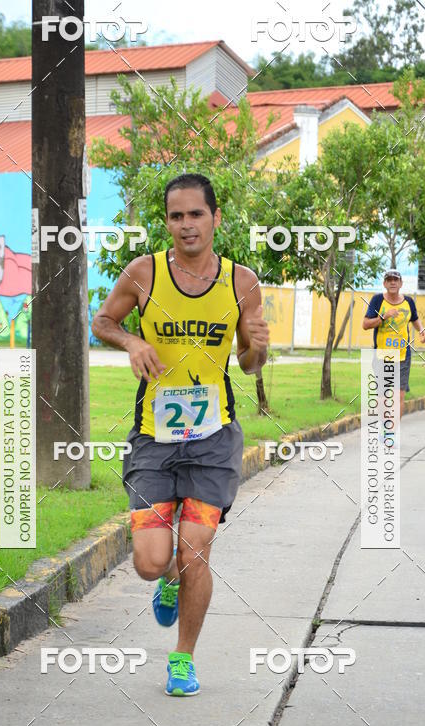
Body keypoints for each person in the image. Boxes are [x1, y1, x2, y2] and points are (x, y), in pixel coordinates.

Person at [91, 173, 269, 697]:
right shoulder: (144, 274)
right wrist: (129, 342)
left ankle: (182, 659)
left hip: (213, 439)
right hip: (154, 438)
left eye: (196, 214)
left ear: (216, 217)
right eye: (176, 216)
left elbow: (250, 361)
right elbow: (101, 320)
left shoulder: (242, 282)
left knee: (195, 551)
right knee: (149, 562)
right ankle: (167, 577)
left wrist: (257, 345)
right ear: (166, 222)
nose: (186, 225)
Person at [362, 269, 425, 417]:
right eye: (389, 280)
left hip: (403, 355)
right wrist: (383, 317)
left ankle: (391, 434)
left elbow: (415, 319)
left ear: (401, 283)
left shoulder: (409, 302)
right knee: (382, 398)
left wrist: (422, 331)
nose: (393, 282)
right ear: (384, 283)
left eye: (395, 280)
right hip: (382, 356)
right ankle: (381, 427)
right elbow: (365, 324)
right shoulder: (378, 300)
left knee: (399, 396)